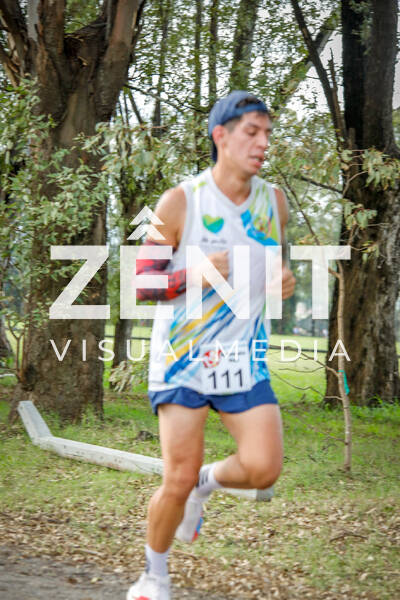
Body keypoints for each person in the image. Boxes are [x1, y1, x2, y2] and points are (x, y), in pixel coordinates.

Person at [127, 90, 296, 600]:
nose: (263, 143)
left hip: (241, 356)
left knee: (264, 468)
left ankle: (208, 483)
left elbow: (269, 267)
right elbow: (141, 283)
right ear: (220, 136)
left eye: (267, 133)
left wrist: (281, 280)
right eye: (252, 132)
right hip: (183, 358)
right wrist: (193, 275)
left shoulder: (274, 202)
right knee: (175, 478)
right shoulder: (181, 202)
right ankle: (154, 576)